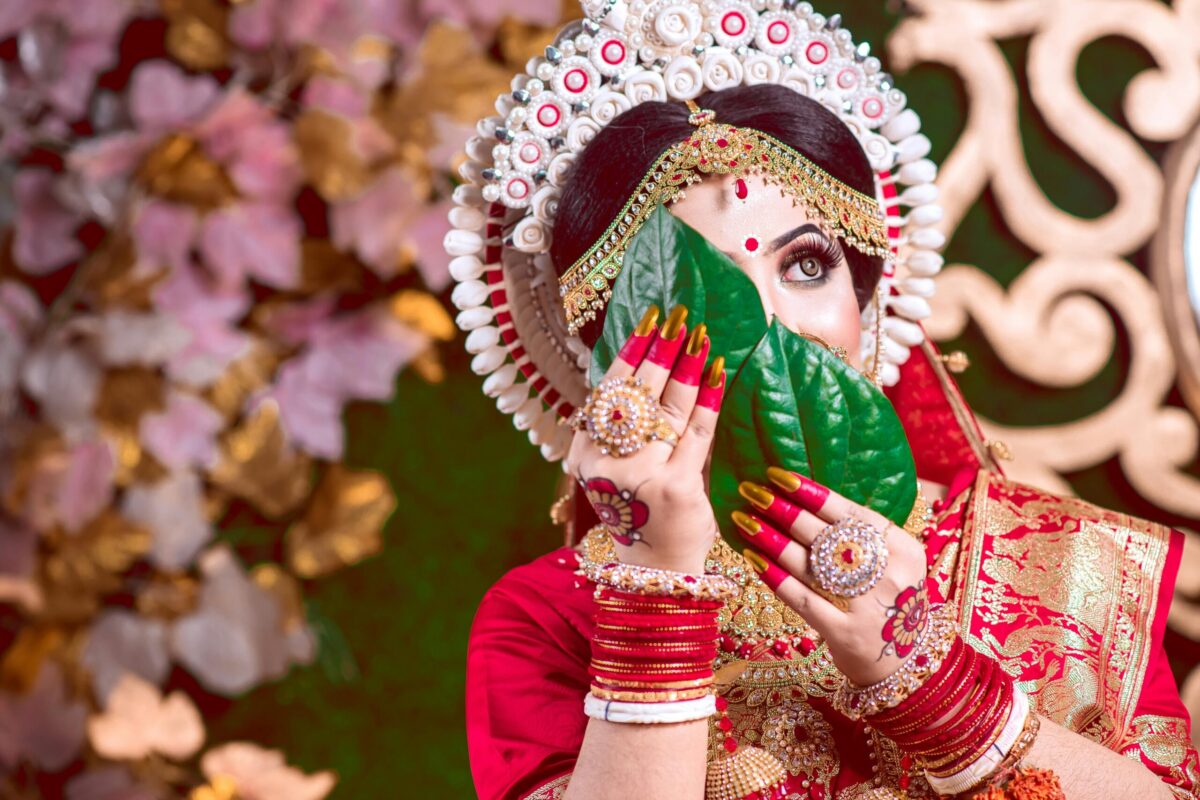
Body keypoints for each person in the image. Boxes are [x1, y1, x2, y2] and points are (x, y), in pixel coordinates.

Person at [447, 3, 1199, 798]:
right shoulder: (550, 619)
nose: (765, 326)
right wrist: (657, 589)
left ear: (867, 302)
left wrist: (937, 685)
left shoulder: (1063, 566)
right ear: (606, 350)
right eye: (695, 287)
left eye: (805, 266)